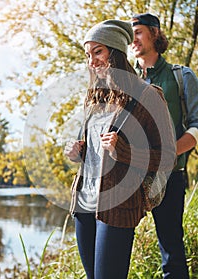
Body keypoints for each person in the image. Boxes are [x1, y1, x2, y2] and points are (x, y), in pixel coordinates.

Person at [64, 19, 176, 279]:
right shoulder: (94, 98)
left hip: (117, 204)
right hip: (84, 204)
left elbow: (167, 157)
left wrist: (124, 152)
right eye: (88, 54)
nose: (92, 61)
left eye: (98, 52)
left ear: (114, 51)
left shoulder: (148, 96)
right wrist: (77, 152)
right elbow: (92, 151)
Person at [130, 13, 198, 278]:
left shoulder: (182, 76)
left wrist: (169, 153)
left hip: (169, 176)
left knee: (171, 251)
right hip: (128, 177)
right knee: (115, 247)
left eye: (139, 31)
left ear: (155, 33)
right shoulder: (125, 80)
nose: (134, 38)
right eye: (132, 33)